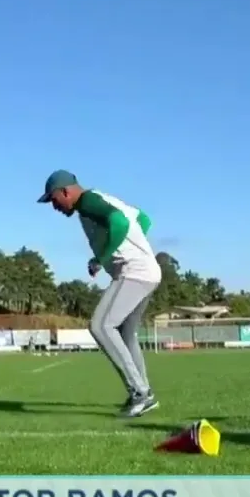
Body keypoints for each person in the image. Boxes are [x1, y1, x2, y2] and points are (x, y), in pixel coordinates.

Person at [38, 170, 162, 417]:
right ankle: (143, 393)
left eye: (53, 200)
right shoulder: (101, 199)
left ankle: (141, 393)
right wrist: (138, 246)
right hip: (146, 271)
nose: (54, 207)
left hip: (134, 272)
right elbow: (143, 219)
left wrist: (102, 258)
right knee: (126, 334)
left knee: (101, 326)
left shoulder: (88, 202)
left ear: (66, 192)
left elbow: (120, 222)